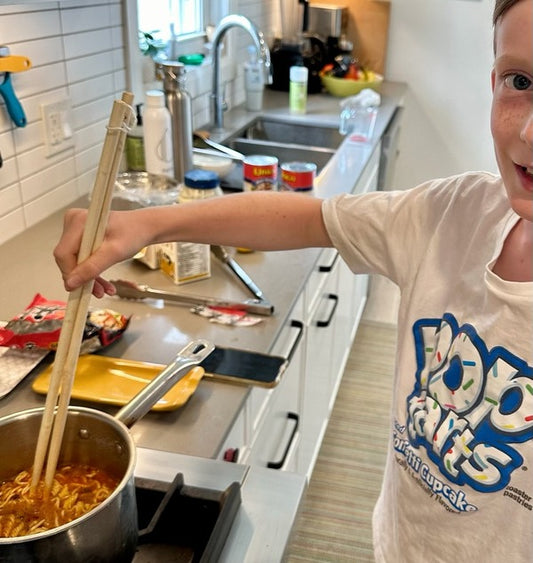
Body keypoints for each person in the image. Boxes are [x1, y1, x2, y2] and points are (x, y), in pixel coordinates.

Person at [54, 0, 533, 560]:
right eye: (520, 80)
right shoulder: (453, 214)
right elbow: (311, 218)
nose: (528, 130)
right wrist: (146, 223)